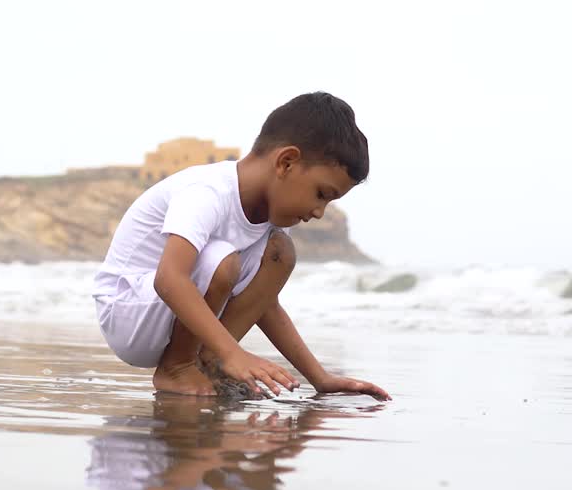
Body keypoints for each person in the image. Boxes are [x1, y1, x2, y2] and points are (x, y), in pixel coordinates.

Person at [92, 92, 391, 399]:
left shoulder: (269, 223)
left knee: (280, 254)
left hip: (166, 316)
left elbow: (264, 304)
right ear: (286, 162)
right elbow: (169, 279)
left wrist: (320, 377)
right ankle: (177, 368)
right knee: (222, 260)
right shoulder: (207, 192)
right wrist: (234, 352)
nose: (319, 212)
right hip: (126, 314)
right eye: (321, 194)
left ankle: (207, 362)